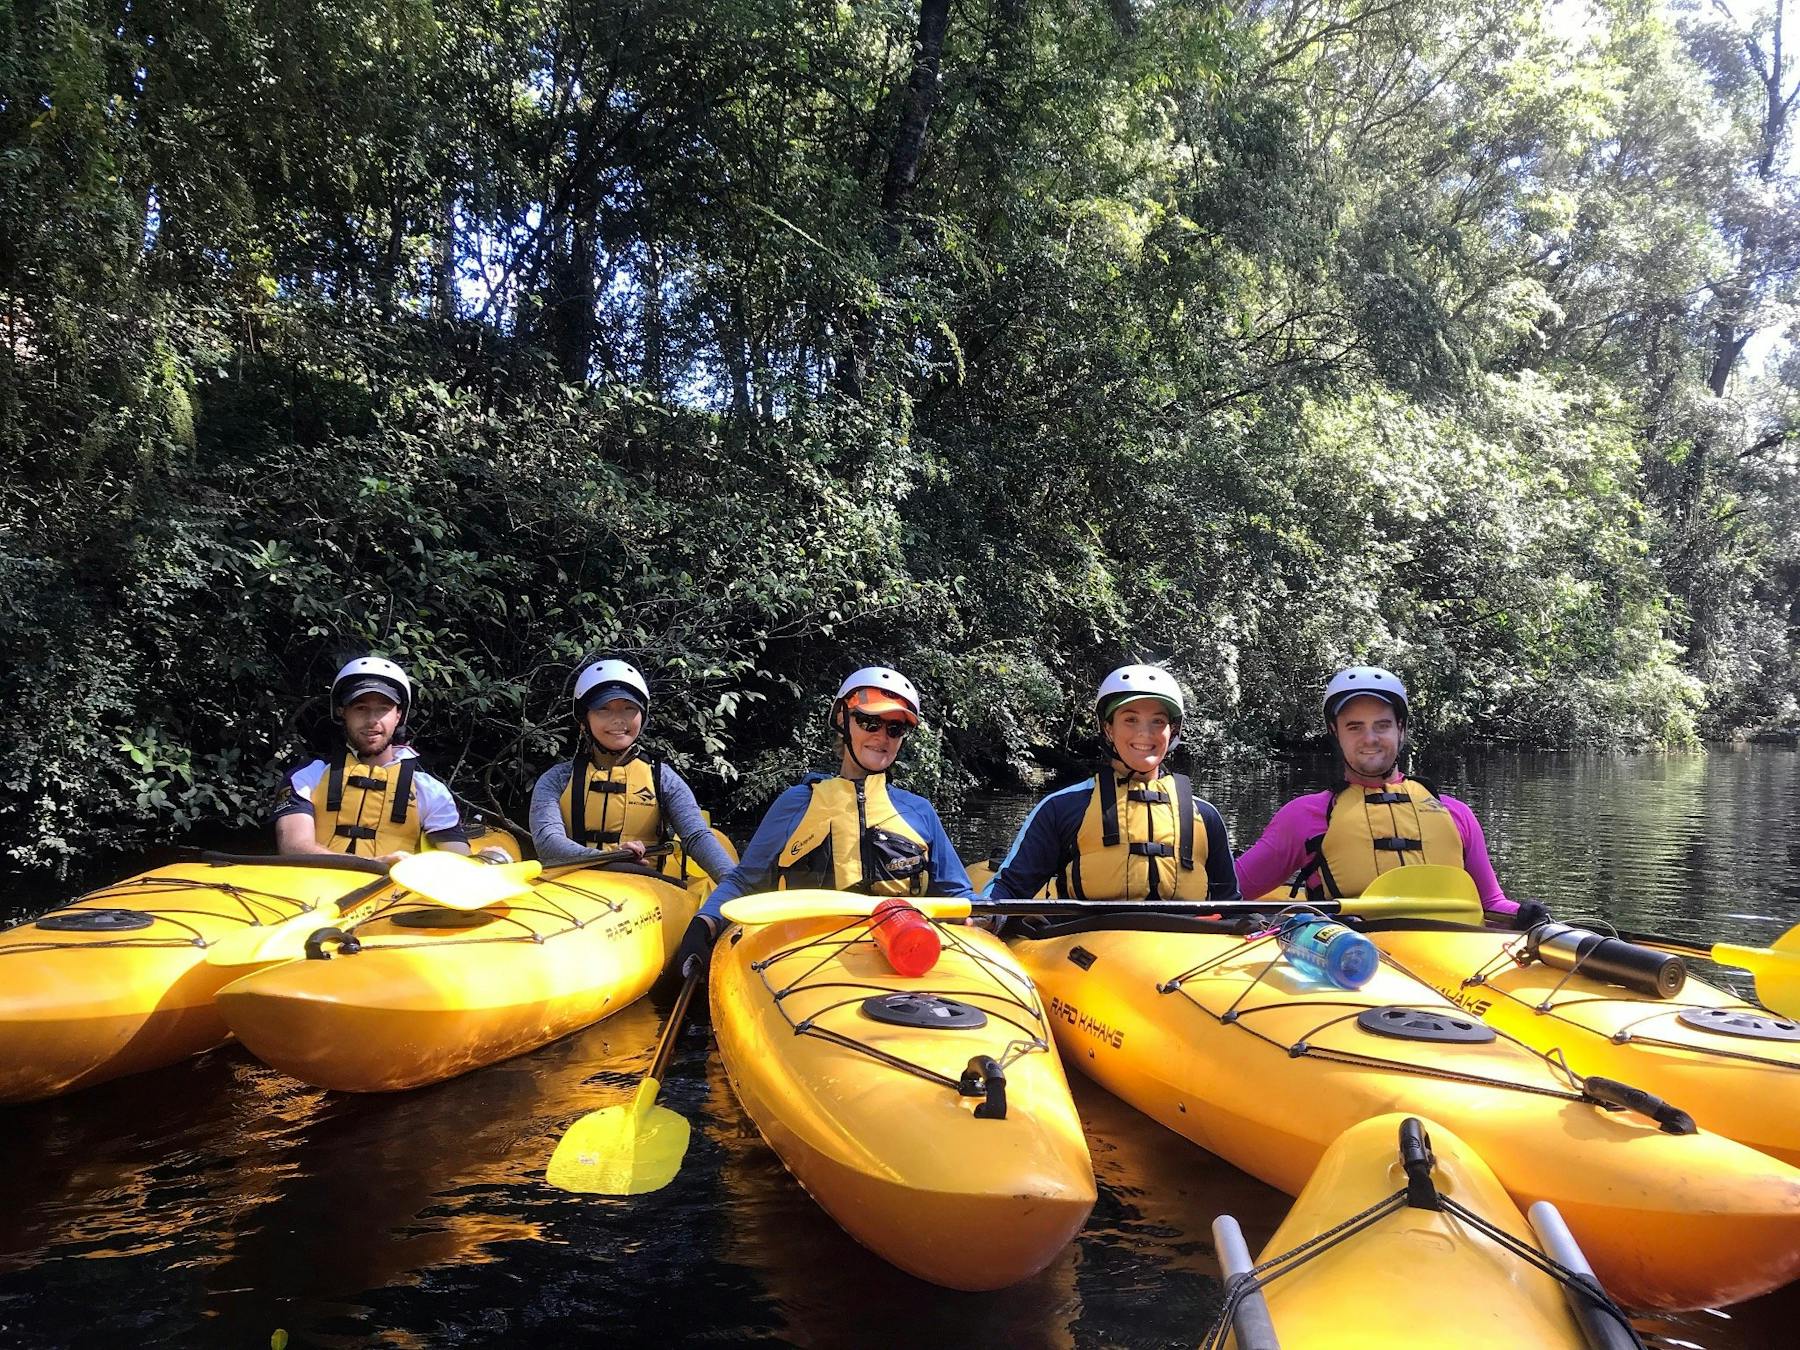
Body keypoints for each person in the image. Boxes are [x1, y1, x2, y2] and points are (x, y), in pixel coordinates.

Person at [676, 665, 975, 970]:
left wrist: (981, 921)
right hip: (805, 955)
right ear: (844, 721)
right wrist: (705, 924)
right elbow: (744, 881)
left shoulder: (918, 811)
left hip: (904, 950)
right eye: (870, 722)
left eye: (895, 728)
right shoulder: (796, 804)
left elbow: (959, 896)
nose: (882, 737)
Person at [1234, 665, 1524, 924]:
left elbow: (1491, 904)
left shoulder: (1455, 813)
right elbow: (1228, 892)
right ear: (1335, 732)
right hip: (1353, 965)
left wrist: (1528, 915)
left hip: (1449, 961)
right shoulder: (1304, 817)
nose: (1370, 739)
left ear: (1401, 727)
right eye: (1355, 727)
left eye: (1382, 725)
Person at [983, 664, 1241, 904]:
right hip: (1087, 945)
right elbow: (1009, 891)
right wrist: (983, 920)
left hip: (1188, 946)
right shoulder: (1062, 808)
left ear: (1172, 731)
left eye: (1158, 721)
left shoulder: (1205, 817)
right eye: (1130, 719)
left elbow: (1231, 903)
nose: (1145, 732)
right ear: (1108, 728)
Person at [529, 657, 736, 880]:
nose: (618, 719)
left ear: (643, 716)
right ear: (584, 720)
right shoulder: (556, 779)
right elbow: (548, 845)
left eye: (629, 708)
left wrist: (733, 884)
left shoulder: (662, 778)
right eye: (603, 709)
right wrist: (610, 857)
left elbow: (696, 836)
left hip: (644, 887)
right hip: (570, 885)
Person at [273, 656, 471, 867]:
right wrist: (373, 863)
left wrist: (484, 861)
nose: (372, 720)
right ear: (342, 712)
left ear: (398, 716)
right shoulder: (306, 777)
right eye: (360, 708)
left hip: (393, 897)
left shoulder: (429, 790)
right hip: (316, 892)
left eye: (383, 709)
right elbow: (293, 848)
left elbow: (459, 863)